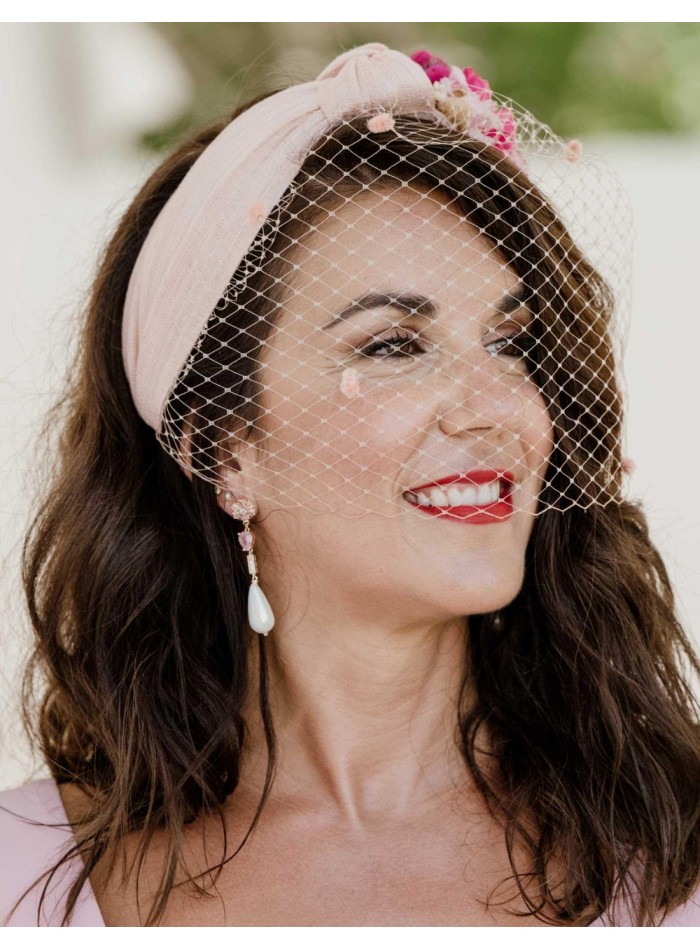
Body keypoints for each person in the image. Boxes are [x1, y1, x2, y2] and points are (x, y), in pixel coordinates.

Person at [1, 42, 699, 928]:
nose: (493, 409)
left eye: (512, 341)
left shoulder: (676, 841)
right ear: (227, 450)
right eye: (394, 346)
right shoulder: (23, 874)